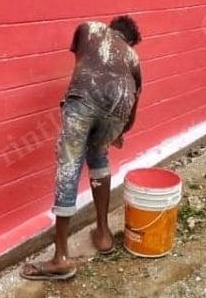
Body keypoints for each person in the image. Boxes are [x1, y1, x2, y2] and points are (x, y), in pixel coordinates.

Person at [21, 17, 143, 281]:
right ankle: (103, 233)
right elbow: (135, 101)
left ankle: (61, 258)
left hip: (85, 100)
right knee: (98, 157)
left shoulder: (92, 28)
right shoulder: (133, 56)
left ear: (114, 28)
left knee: (69, 165)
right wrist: (121, 131)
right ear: (130, 40)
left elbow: (83, 60)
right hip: (119, 109)